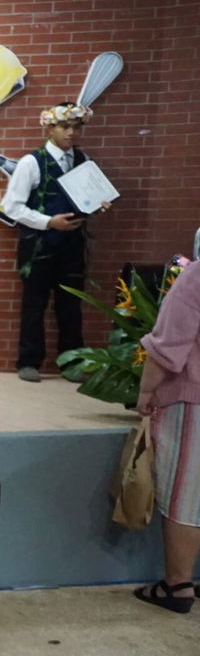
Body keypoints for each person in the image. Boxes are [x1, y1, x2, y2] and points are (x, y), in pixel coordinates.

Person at [1, 102, 97, 382]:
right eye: (64, 127)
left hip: (72, 246)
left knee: (71, 305)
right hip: (39, 247)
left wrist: (97, 205)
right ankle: (28, 362)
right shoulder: (32, 162)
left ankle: (72, 362)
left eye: (76, 127)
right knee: (34, 305)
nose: (71, 133)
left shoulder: (83, 160)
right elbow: (12, 207)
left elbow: (86, 198)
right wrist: (48, 222)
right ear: (49, 128)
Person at [134, 257, 200, 614]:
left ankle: (177, 585)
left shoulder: (197, 276)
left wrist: (146, 393)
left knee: (185, 495)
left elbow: (168, 346)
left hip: (194, 399)